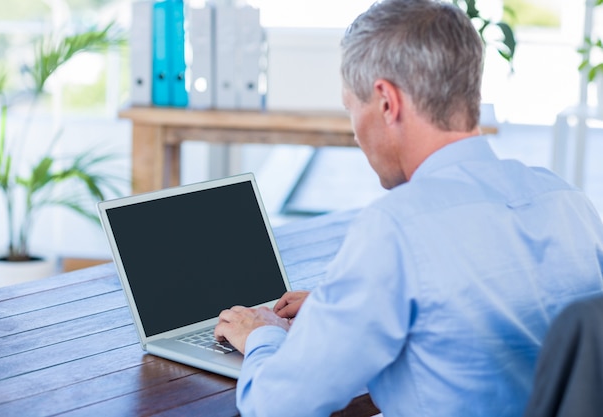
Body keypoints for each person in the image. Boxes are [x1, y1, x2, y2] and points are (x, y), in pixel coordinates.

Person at [214, 0, 603, 416]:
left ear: (386, 102)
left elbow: (276, 406)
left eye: (352, 108)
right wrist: (343, 312)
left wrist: (262, 334)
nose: (356, 132)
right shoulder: (565, 200)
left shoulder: (396, 228)